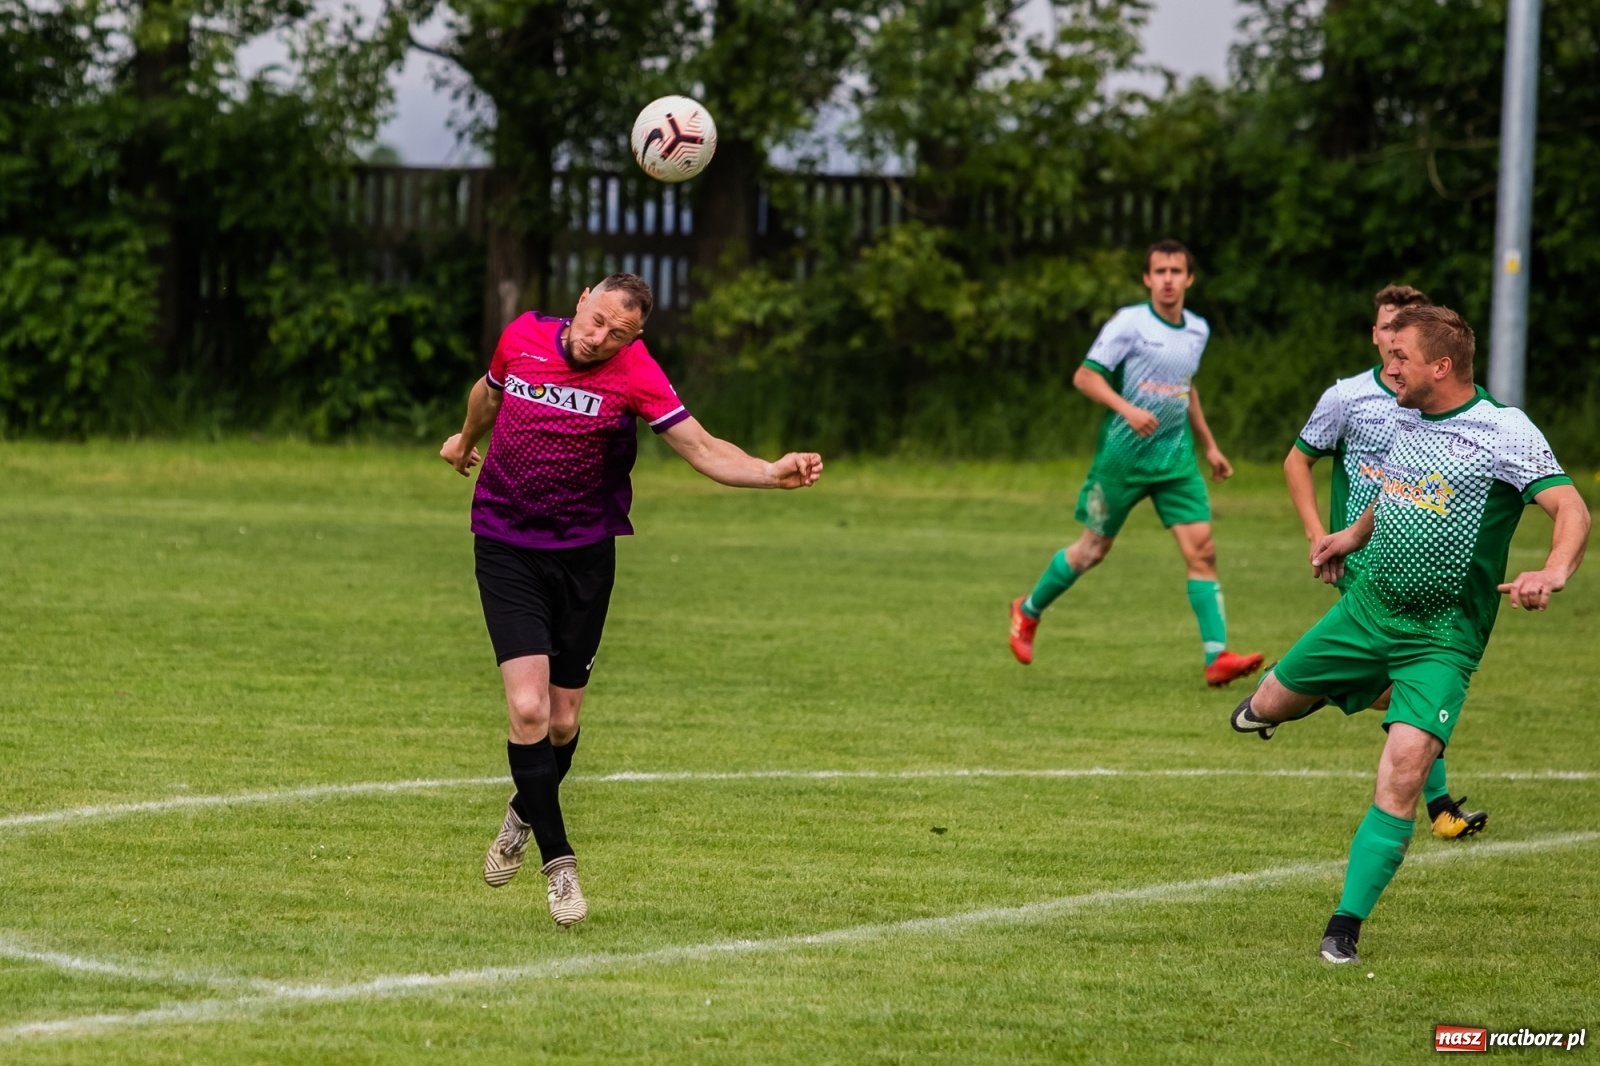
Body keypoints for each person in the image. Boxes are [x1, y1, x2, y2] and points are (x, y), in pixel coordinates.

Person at [440, 273, 823, 927]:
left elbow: (701, 448)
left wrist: (768, 471)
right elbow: (489, 391)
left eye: (619, 333)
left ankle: (524, 809)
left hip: (585, 558)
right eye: (596, 321)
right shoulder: (523, 337)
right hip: (504, 543)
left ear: (635, 336)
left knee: (562, 724)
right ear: (582, 298)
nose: (599, 338)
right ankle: (559, 866)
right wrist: (466, 437)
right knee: (528, 709)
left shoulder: (636, 374)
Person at [1231, 305, 1588, 965]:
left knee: (1401, 772)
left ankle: (1344, 927)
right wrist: (1349, 535)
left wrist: (1553, 569)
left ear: (1441, 366)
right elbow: (1395, 490)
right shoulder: (1404, 418)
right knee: (1260, 708)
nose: (1388, 368)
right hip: (1365, 612)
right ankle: (1286, 702)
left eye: (1400, 359)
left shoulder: (1504, 430)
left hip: (1440, 640)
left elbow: (1571, 507)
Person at [1008, 239, 1263, 687]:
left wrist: (1210, 446)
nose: (1168, 279)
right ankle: (1027, 611)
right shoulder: (1130, 323)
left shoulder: (1197, 330)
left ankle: (1216, 657)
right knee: (1091, 551)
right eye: (1159, 271)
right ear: (1147, 279)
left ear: (1189, 279)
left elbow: (1187, 388)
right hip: (1122, 459)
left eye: (1176, 271)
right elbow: (1085, 377)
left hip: (1175, 460)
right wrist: (1126, 409)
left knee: (1202, 550)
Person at [1283, 285, 1487, 841]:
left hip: (1422, 564)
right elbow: (1296, 461)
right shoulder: (1348, 397)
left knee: (1402, 682)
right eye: (1388, 327)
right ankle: (1439, 801)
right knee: (1408, 681)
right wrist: (1319, 535)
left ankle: (1321, 687)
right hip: (1363, 563)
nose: (1395, 338)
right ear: (1376, 334)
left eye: (1406, 329)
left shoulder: (1443, 406)